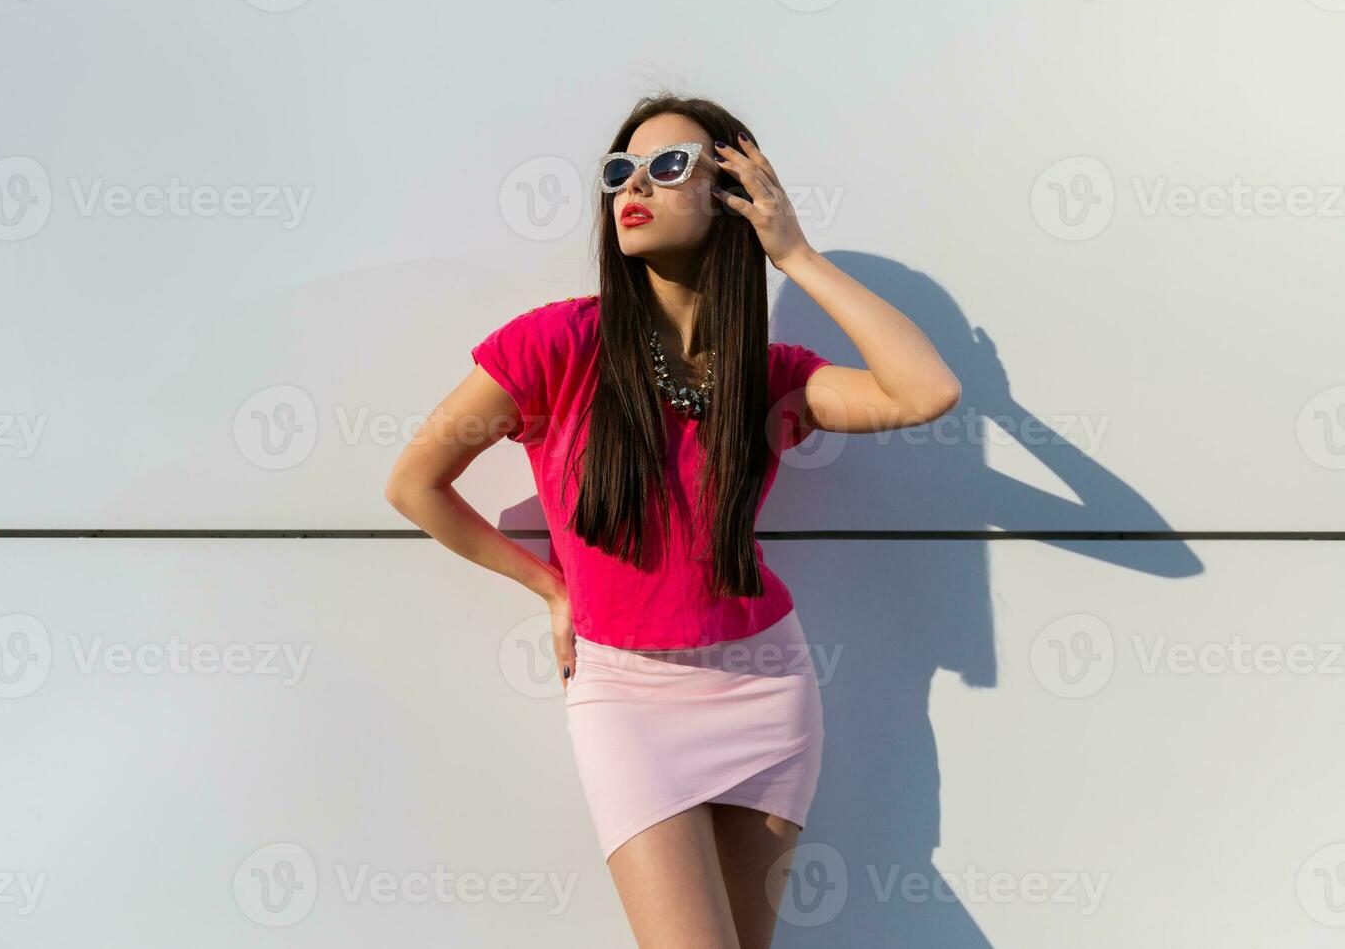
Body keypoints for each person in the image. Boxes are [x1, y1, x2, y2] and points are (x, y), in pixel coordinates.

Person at [384, 92, 961, 948]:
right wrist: (549, 588)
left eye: (668, 166)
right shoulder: (558, 344)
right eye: (618, 170)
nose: (631, 187)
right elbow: (414, 483)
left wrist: (794, 252)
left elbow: (928, 391)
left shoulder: (769, 377)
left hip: (767, 685)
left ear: (731, 192)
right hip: (625, 693)